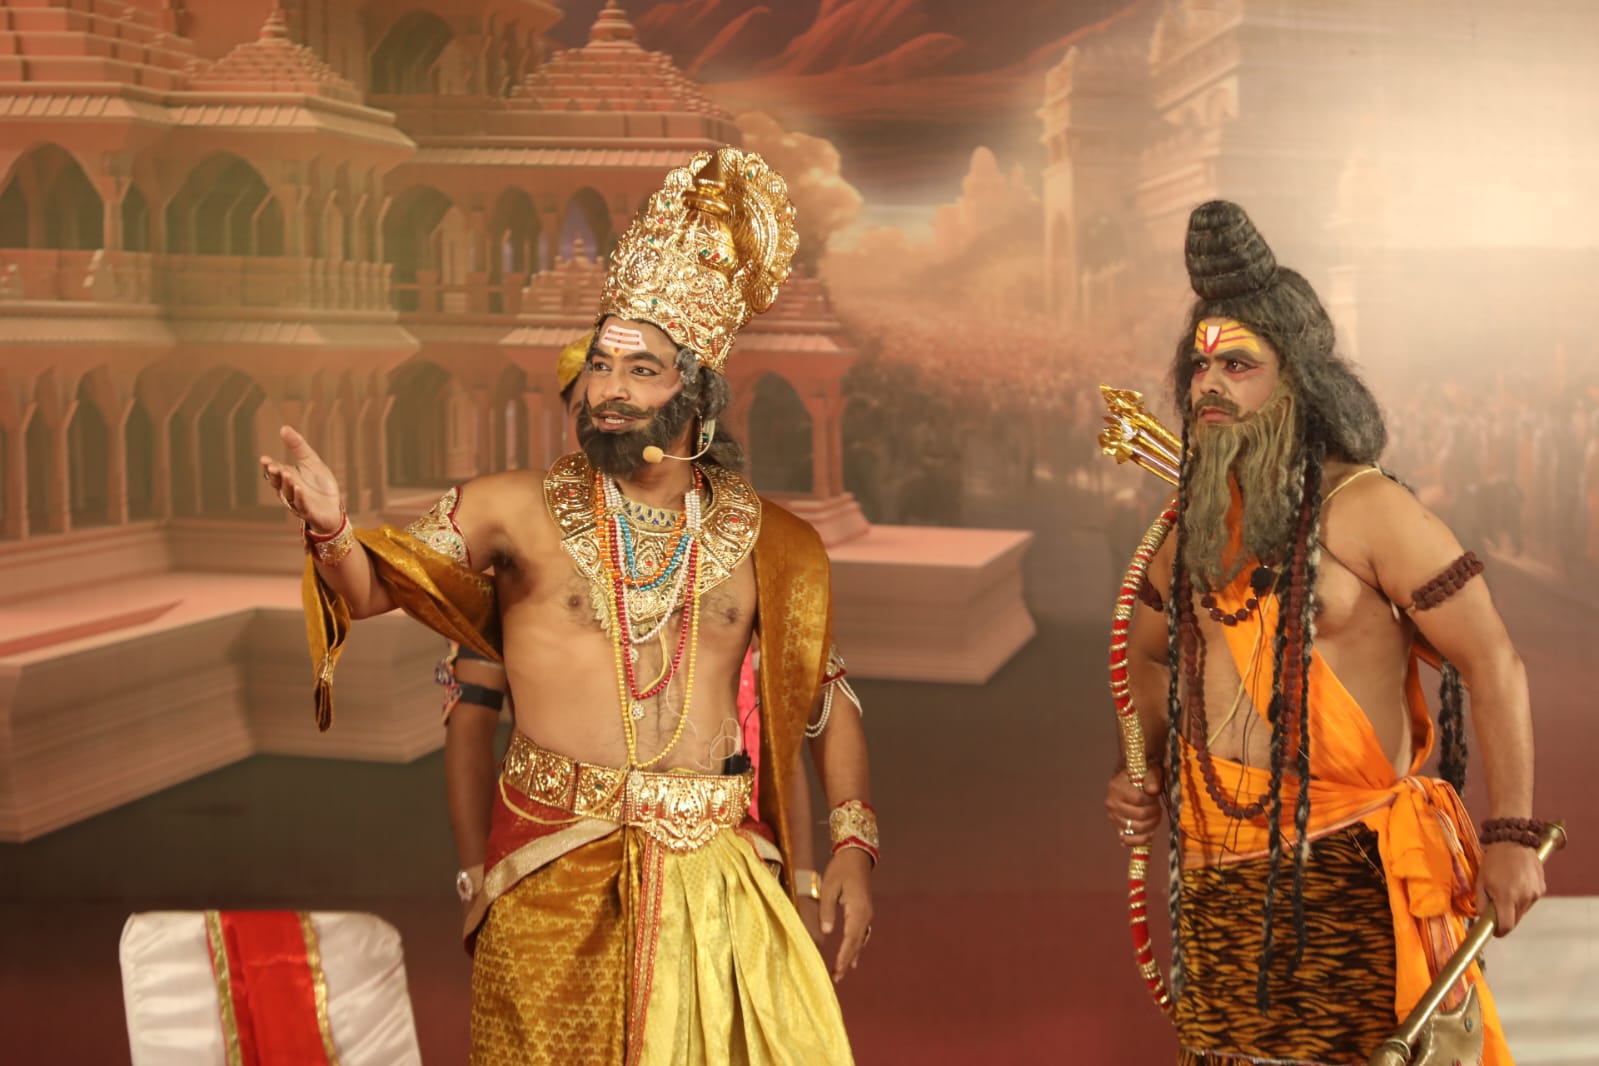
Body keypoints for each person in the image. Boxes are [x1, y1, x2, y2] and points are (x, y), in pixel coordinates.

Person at [264, 148, 875, 1065]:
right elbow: (372, 586)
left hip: (720, 878)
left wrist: (853, 845)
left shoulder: (773, 543)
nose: (609, 391)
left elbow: (825, 696)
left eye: (642, 371)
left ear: (695, 393)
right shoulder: (508, 507)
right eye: (599, 366)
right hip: (554, 869)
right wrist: (332, 527)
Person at [1104, 201, 1545, 1065]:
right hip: (1213, 868)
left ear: (1296, 381)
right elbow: (1149, 655)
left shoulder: (1368, 509)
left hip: (1349, 868)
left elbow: (1491, 659)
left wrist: (1511, 833)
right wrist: (1141, 765)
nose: (1209, 385)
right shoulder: (1187, 528)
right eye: (1198, 366)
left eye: (1237, 364)